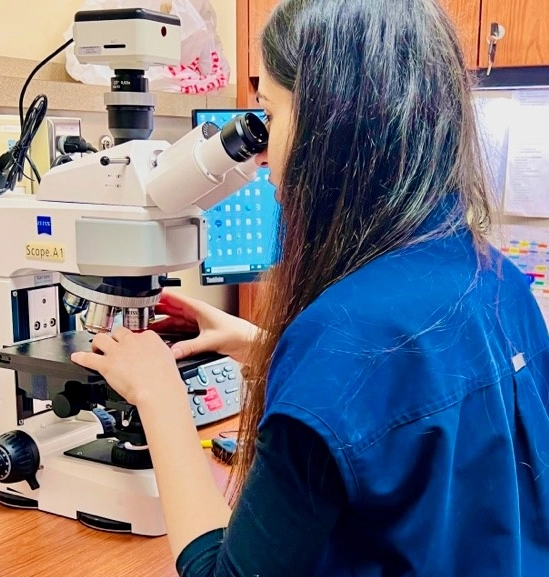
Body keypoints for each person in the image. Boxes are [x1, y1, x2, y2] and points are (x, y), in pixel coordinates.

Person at [71, 0, 549, 575]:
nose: (266, 152)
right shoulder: (496, 278)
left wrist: (160, 398)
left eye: (270, 114)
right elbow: (412, 413)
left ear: (335, 126)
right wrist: (260, 344)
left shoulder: (343, 338)